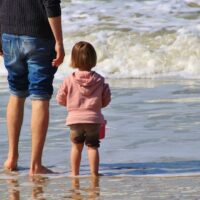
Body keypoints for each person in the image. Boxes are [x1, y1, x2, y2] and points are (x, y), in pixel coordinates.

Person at [0, 0, 65, 175]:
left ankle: (11, 158)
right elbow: (50, 3)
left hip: (8, 32)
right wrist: (59, 41)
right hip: (39, 34)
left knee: (16, 93)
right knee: (40, 96)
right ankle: (36, 165)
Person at [56, 41, 111, 177]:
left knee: (76, 147)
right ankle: (94, 173)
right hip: (94, 119)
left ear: (73, 59)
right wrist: (97, 106)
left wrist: (71, 106)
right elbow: (106, 100)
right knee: (92, 147)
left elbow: (60, 98)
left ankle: (74, 174)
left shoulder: (69, 80)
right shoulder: (100, 80)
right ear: (93, 59)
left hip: (74, 120)